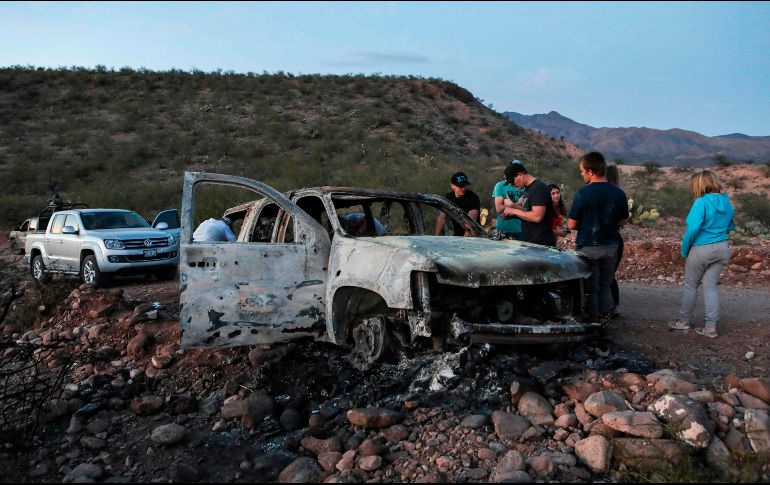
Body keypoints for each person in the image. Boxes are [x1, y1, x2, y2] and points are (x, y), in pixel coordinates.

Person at [668, 170, 734, 338]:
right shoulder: (726, 201)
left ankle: (683, 321)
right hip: (723, 247)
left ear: (699, 185)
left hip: (702, 248)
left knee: (691, 285)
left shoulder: (700, 202)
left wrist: (684, 250)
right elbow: (730, 226)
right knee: (710, 287)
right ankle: (710, 327)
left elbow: (693, 229)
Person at [567, 152, 629, 324]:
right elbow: (623, 219)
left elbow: (571, 225)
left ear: (590, 171)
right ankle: (606, 321)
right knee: (606, 284)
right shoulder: (618, 193)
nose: (581, 174)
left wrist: (587, 224)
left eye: (582, 171)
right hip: (611, 245)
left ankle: (594, 323)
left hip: (588, 246)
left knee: (591, 288)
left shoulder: (583, 194)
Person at [501, 162, 556, 246]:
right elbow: (528, 212)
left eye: (512, 181)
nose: (512, 185)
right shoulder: (528, 189)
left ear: (520, 175)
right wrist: (512, 215)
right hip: (531, 240)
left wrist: (514, 211)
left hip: (541, 243)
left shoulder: (538, 188)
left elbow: (537, 217)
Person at [435, 172, 481, 237]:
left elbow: (470, 224)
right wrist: (436, 237)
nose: (463, 189)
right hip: (457, 236)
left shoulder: (473, 198)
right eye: (460, 186)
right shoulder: (449, 197)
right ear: (452, 186)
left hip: (473, 238)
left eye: (464, 186)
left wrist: (463, 242)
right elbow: (441, 219)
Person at [605, 165, 623, 317]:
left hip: (602, 238)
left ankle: (604, 308)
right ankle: (614, 305)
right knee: (610, 275)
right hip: (615, 238)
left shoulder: (599, 193)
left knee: (603, 276)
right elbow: (623, 219)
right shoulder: (619, 194)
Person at [493, 160, 526, 240]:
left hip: (522, 230)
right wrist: (519, 206)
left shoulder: (527, 187)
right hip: (503, 229)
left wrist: (511, 206)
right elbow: (499, 209)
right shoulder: (501, 185)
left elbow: (529, 211)